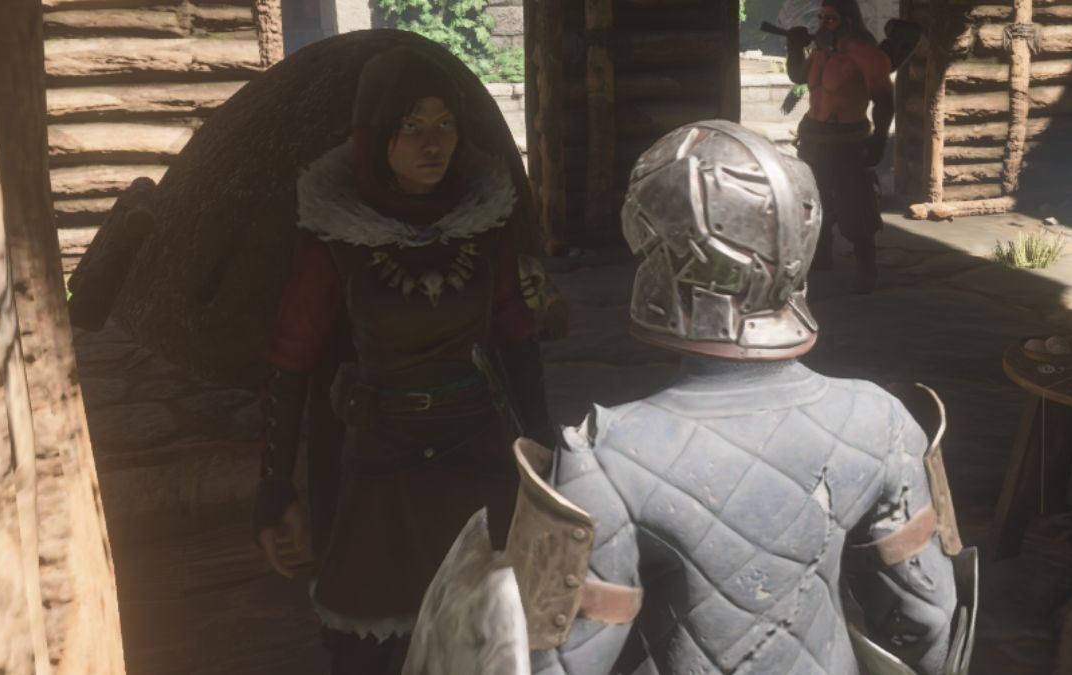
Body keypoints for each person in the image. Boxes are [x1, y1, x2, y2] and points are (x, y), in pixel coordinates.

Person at [404, 121, 976, 675]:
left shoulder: (602, 458)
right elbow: (929, 621)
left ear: (661, 256)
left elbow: (557, 663)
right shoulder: (884, 420)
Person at [251, 46, 554, 675]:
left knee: (488, 640)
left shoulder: (486, 221)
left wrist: (544, 450)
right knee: (367, 643)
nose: (432, 143)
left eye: (444, 124)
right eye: (411, 126)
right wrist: (276, 486)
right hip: (382, 463)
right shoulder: (335, 234)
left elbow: (515, 334)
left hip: (475, 454)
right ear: (375, 135)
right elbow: (292, 356)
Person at [787, 0, 894, 294]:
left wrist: (879, 139)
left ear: (848, 21)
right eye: (821, 17)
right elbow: (799, 77)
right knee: (813, 201)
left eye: (830, 19)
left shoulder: (867, 54)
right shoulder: (820, 52)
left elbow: (884, 101)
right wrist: (793, 47)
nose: (823, 24)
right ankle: (821, 255)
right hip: (813, 140)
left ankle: (867, 268)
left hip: (847, 143)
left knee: (855, 206)